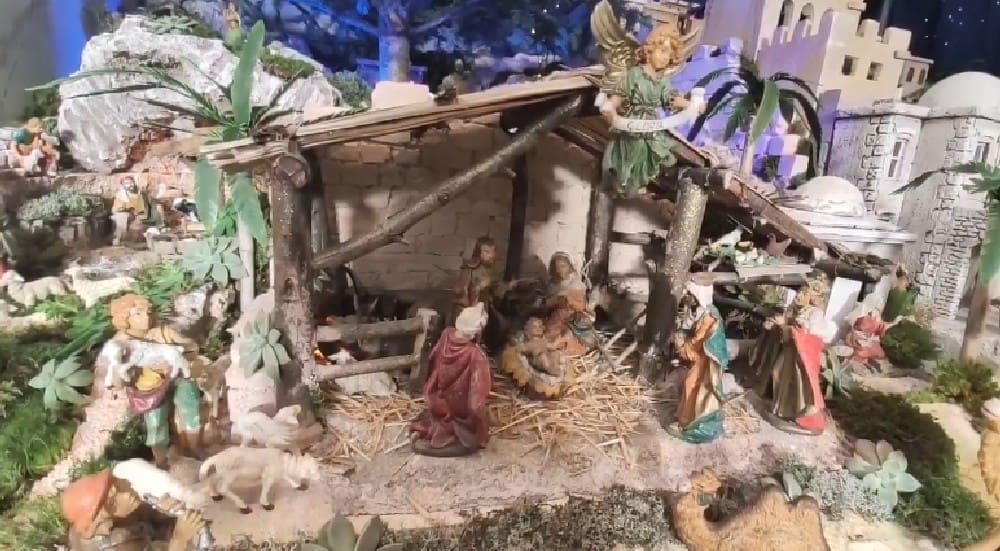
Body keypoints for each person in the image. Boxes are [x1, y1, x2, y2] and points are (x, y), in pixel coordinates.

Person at [106, 294, 203, 467]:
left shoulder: (163, 332)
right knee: (155, 422)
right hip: (149, 389)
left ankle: (194, 449)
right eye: (138, 313)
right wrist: (127, 370)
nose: (146, 317)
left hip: (177, 377)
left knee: (190, 402)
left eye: (148, 313)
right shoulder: (119, 344)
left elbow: (192, 347)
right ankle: (161, 460)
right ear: (125, 318)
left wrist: (177, 353)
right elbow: (118, 381)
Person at [598, 23, 691, 197]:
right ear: (650, 50)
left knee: (658, 151)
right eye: (662, 51)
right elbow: (620, 96)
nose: (665, 57)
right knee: (634, 146)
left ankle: (638, 182)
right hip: (632, 124)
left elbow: (670, 98)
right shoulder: (635, 74)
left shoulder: (663, 82)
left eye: (669, 55)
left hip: (651, 127)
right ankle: (623, 181)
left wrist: (688, 105)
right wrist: (610, 107)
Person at [750, 276, 834, 435]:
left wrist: (784, 327)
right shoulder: (796, 309)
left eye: (804, 293)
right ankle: (782, 407)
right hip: (791, 352)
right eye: (800, 292)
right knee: (777, 373)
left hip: (802, 358)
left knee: (798, 384)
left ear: (813, 298)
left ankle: (800, 415)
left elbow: (807, 337)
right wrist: (774, 324)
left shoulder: (814, 315)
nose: (799, 295)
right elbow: (787, 322)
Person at [411, 303, 492, 457]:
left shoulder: (446, 335)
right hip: (459, 406)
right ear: (475, 331)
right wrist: (479, 422)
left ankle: (435, 428)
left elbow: (432, 360)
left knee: (438, 416)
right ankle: (452, 434)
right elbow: (476, 399)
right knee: (470, 432)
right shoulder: (475, 355)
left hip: (438, 398)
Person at [669, 275, 729, 444]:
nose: (688, 297)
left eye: (691, 294)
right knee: (690, 385)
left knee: (692, 384)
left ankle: (690, 423)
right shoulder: (703, 312)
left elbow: (699, 341)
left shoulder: (709, 317)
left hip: (705, 360)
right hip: (701, 357)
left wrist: (683, 344)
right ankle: (685, 418)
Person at [541, 252, 597, 357]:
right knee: (549, 332)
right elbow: (546, 305)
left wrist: (568, 299)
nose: (560, 270)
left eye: (563, 266)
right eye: (557, 267)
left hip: (573, 317)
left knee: (569, 333)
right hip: (557, 315)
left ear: (569, 267)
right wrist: (554, 300)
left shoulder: (576, 284)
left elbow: (581, 306)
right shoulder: (551, 284)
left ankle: (568, 347)